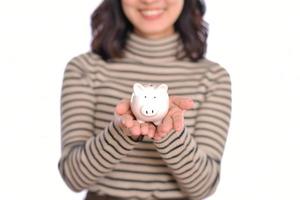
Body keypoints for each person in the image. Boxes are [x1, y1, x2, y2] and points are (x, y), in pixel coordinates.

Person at [58, 0, 232, 199]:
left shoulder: (212, 77)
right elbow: (73, 177)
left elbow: (203, 187)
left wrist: (168, 132)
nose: (149, 0)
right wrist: (120, 132)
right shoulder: (85, 69)